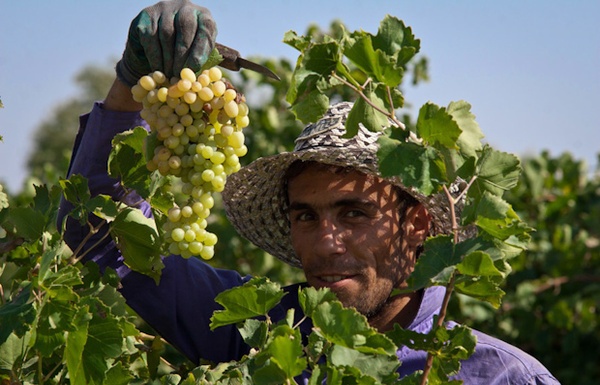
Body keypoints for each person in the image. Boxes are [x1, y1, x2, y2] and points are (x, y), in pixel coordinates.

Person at [57, 1, 560, 384]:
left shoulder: (497, 375)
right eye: (306, 217)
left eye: (355, 214)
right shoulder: (258, 329)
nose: (325, 244)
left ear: (417, 226)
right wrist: (129, 85)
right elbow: (99, 238)